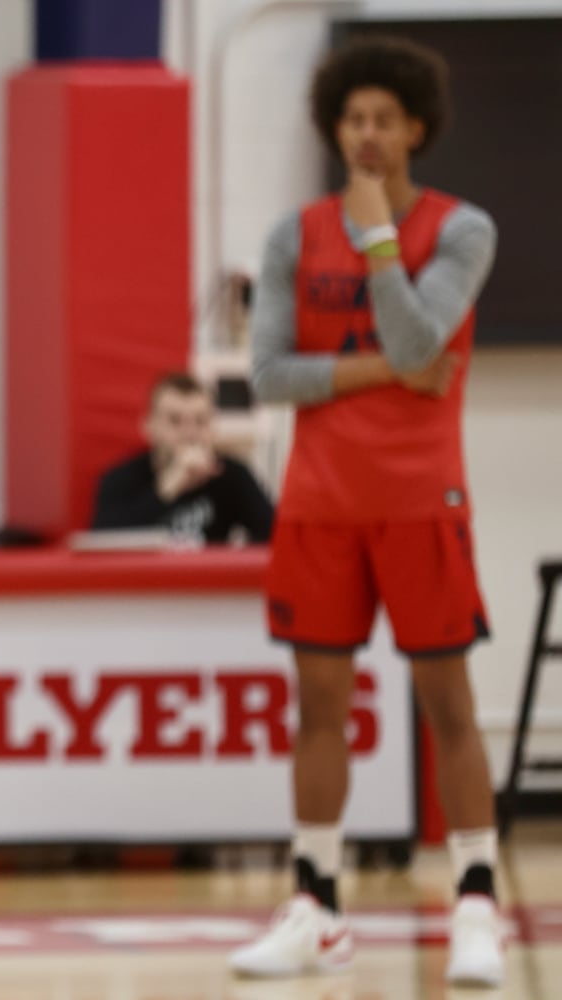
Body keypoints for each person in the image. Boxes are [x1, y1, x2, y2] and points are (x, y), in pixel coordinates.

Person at [228, 37, 503, 987]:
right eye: (355, 118)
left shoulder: (463, 228)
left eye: (387, 118)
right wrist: (393, 373)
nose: (370, 133)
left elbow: (422, 328)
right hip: (319, 503)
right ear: (335, 128)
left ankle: (477, 904)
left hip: (422, 498)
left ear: (417, 127)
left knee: (448, 708)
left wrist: (382, 236)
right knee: (319, 709)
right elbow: (270, 373)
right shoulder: (292, 235)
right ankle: (317, 906)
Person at [90, 372, 275, 544]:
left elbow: (275, 536)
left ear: (213, 428)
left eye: (200, 421)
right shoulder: (120, 480)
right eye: (175, 420)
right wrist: (165, 491)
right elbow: (103, 543)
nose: (190, 433)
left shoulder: (231, 475)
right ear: (149, 426)